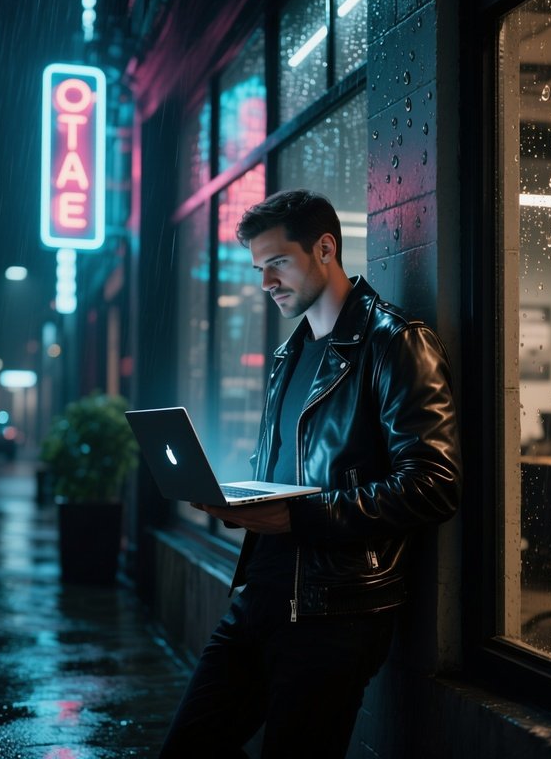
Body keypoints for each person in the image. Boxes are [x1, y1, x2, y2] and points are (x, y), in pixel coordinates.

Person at [158, 189, 462, 759]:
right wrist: (238, 500)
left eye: (277, 263)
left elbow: (433, 482)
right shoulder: (288, 356)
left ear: (326, 248)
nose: (265, 282)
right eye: (258, 268)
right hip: (260, 595)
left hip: (336, 612)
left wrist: (298, 516)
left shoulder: (395, 343)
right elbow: (284, 468)